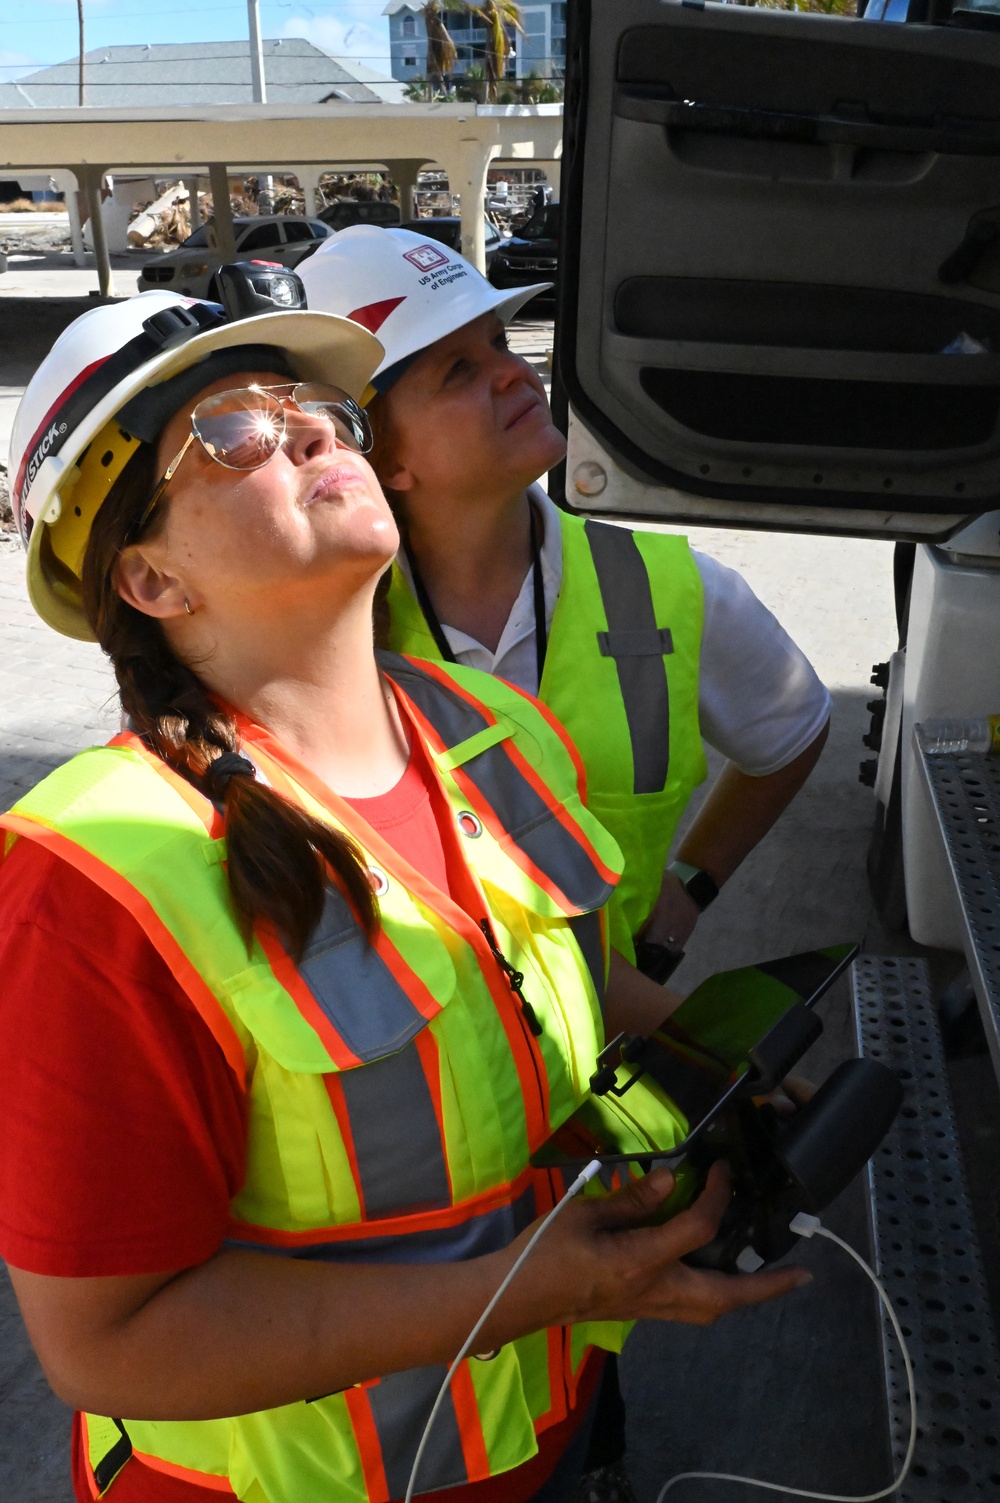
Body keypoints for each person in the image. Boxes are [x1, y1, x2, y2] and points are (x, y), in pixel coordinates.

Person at [0, 280, 809, 1503]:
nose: (313, 430)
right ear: (153, 584)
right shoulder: (98, 880)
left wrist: (720, 1070)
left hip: (540, 1430)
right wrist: (551, 1283)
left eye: (310, 404)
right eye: (231, 433)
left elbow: (557, 984)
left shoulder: (491, 731)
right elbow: (110, 1341)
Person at [298, 225, 833, 1502]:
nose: (514, 372)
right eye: (454, 368)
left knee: (592, 1334)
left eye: (502, 342)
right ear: (380, 456)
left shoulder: (667, 585)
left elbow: (795, 730)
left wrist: (684, 906)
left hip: (614, 1050)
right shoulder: (317, 637)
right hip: (436, 1097)